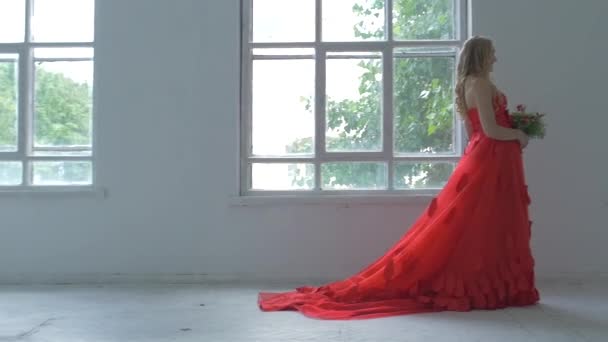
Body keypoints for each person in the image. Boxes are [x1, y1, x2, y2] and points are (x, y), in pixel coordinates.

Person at [258, 36, 540, 320]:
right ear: (481, 55)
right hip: (491, 159)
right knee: (481, 225)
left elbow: (473, 133)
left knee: (478, 224)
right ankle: (484, 287)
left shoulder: (468, 84)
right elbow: (490, 130)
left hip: (484, 157)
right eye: (492, 53)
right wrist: (517, 134)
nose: (495, 58)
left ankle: (487, 286)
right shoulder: (479, 83)